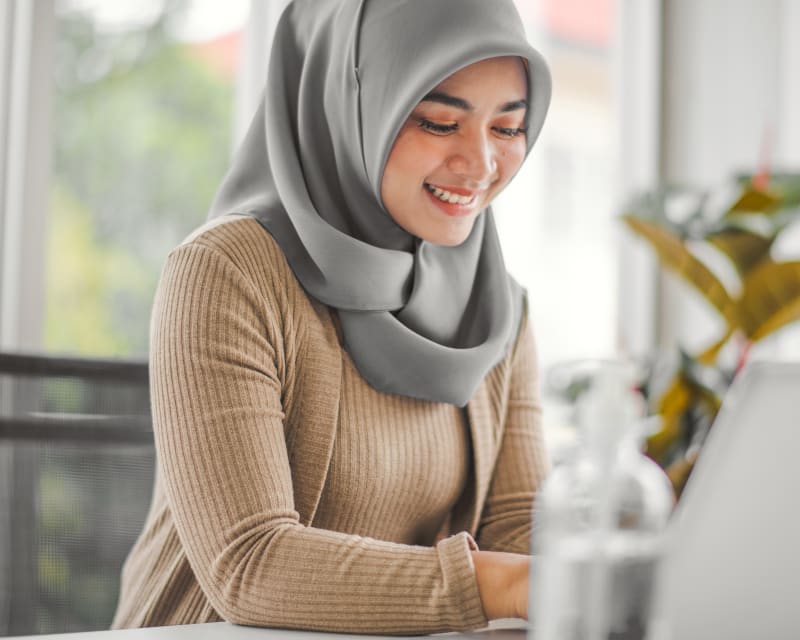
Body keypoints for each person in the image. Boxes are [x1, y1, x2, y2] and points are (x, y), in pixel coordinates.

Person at [112, 0, 552, 634]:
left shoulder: (497, 306)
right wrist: (502, 582)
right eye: (436, 121)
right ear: (348, 109)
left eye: (508, 129)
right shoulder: (225, 272)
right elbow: (250, 563)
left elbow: (518, 530)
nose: (481, 164)